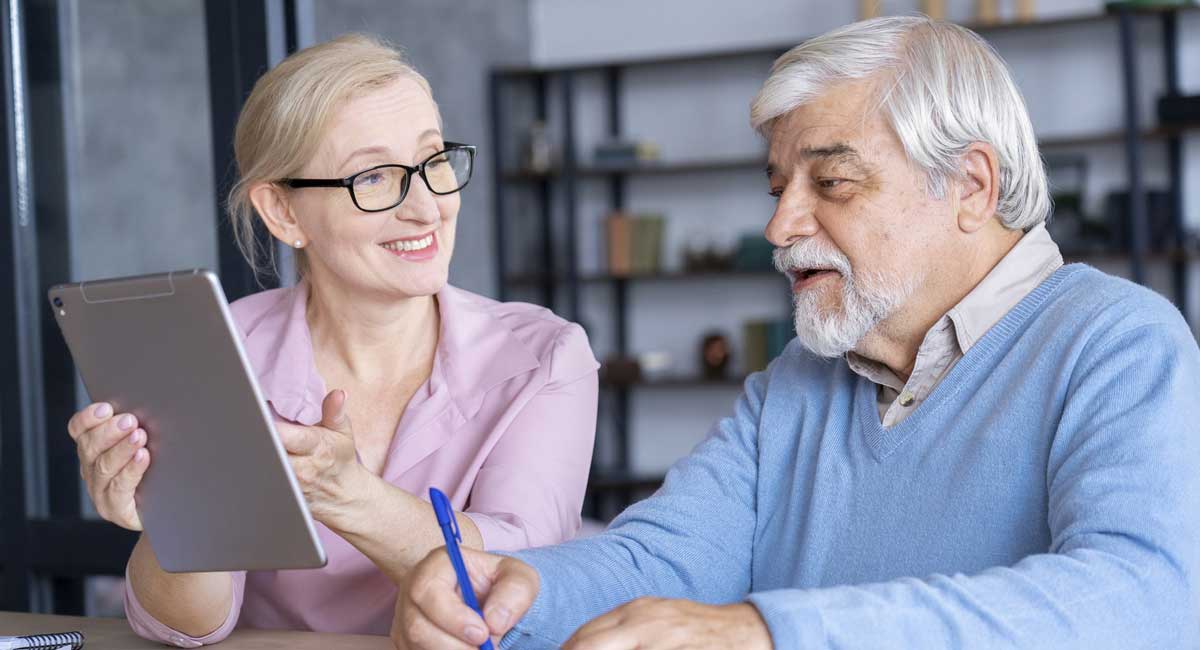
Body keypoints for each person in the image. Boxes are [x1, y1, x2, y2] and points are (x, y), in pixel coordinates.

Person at [391, 16, 1200, 650]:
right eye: (778, 186)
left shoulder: (1117, 344)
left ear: (970, 185)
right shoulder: (800, 381)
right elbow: (665, 560)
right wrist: (516, 589)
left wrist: (772, 632)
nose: (781, 225)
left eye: (833, 182)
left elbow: (1143, 604)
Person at [64, 33, 599, 646]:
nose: (427, 208)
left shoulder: (543, 357)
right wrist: (176, 522)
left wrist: (349, 497)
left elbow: (523, 591)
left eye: (433, 162)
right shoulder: (222, 352)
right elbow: (186, 627)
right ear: (284, 213)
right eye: (373, 178)